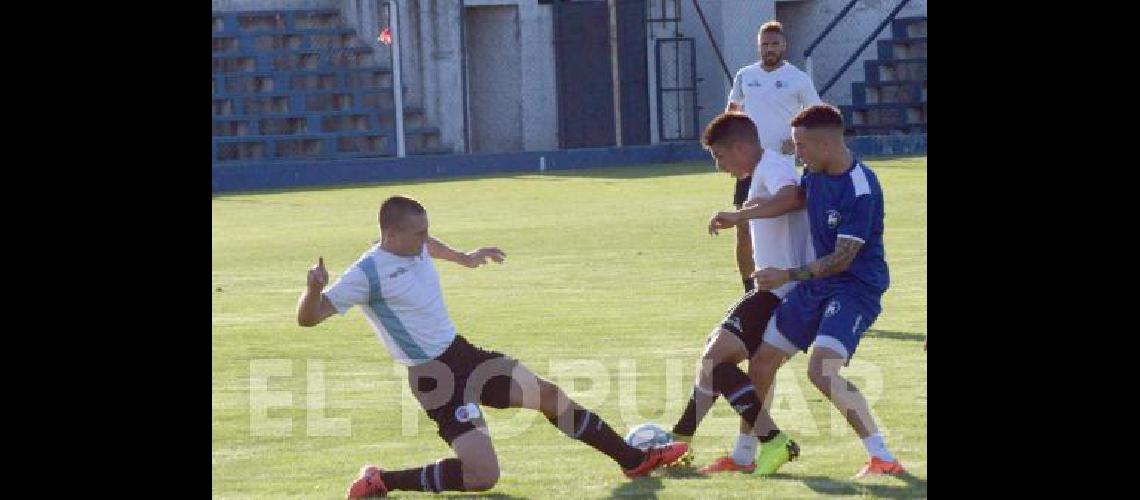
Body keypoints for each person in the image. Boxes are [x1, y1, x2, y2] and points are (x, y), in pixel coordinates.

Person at [295, 195, 688, 498]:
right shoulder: (365, 275)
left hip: (464, 354)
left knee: (549, 395)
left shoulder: (412, 245)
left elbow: (430, 245)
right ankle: (381, 480)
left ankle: (635, 461)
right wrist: (313, 289)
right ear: (392, 236)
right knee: (483, 477)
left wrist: (464, 258)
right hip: (434, 378)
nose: (424, 238)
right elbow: (308, 318)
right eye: (417, 233)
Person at [748, 104, 906, 479]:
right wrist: (745, 212)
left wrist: (785, 273)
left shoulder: (861, 189)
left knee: (821, 370)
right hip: (817, 285)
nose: (795, 152)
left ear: (824, 144)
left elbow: (841, 260)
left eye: (801, 146)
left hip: (854, 288)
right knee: (760, 363)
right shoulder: (814, 173)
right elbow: (795, 201)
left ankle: (882, 458)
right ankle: (748, 452)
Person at [668, 112, 813, 475]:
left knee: (715, 359)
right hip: (771, 288)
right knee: (725, 363)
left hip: (782, 289)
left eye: (720, 156)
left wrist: (739, 216)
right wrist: (743, 219)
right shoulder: (761, 173)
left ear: (740, 147)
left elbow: (793, 197)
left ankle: (770, 441)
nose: (720, 166)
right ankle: (698, 445)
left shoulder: (773, 166)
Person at [725, 20, 822, 297]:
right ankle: (749, 291)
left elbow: (817, 115)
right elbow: (732, 113)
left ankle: (794, 286)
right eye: (765, 44)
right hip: (749, 168)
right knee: (743, 228)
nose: (770, 49)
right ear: (758, 46)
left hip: (781, 168)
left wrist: (797, 141)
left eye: (775, 43)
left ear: (784, 45)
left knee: (788, 231)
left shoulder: (798, 79)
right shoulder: (745, 76)